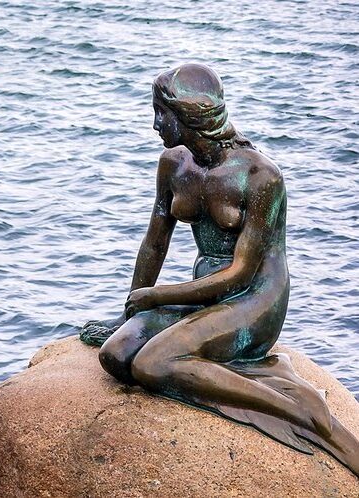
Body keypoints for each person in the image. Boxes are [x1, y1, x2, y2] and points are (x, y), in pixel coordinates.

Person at [80, 63, 358, 476]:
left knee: (152, 364)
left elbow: (241, 273)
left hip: (254, 300)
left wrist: (156, 296)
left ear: (188, 116)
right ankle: (221, 367)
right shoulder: (173, 164)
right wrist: (130, 311)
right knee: (116, 355)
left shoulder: (260, 175)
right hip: (204, 294)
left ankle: (299, 409)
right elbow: (155, 242)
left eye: (161, 113)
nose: (155, 124)